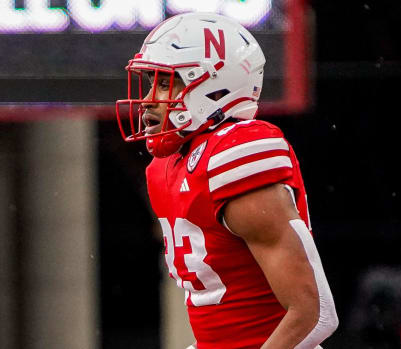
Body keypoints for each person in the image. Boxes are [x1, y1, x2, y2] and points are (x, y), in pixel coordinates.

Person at [115, 12, 338, 349]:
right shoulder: (165, 169)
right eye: (151, 83)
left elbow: (313, 312)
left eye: (164, 83)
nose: (148, 100)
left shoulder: (236, 154)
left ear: (211, 85)